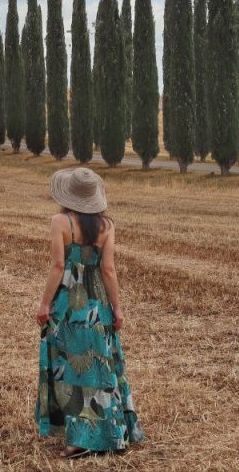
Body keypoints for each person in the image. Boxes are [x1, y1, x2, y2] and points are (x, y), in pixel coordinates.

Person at [34, 166, 146, 458]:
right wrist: (117, 309)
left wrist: (45, 304)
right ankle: (112, 434)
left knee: (69, 369)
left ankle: (79, 440)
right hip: (97, 304)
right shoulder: (107, 226)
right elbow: (108, 270)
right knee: (102, 365)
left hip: (68, 305)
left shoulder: (60, 221)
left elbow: (58, 266)